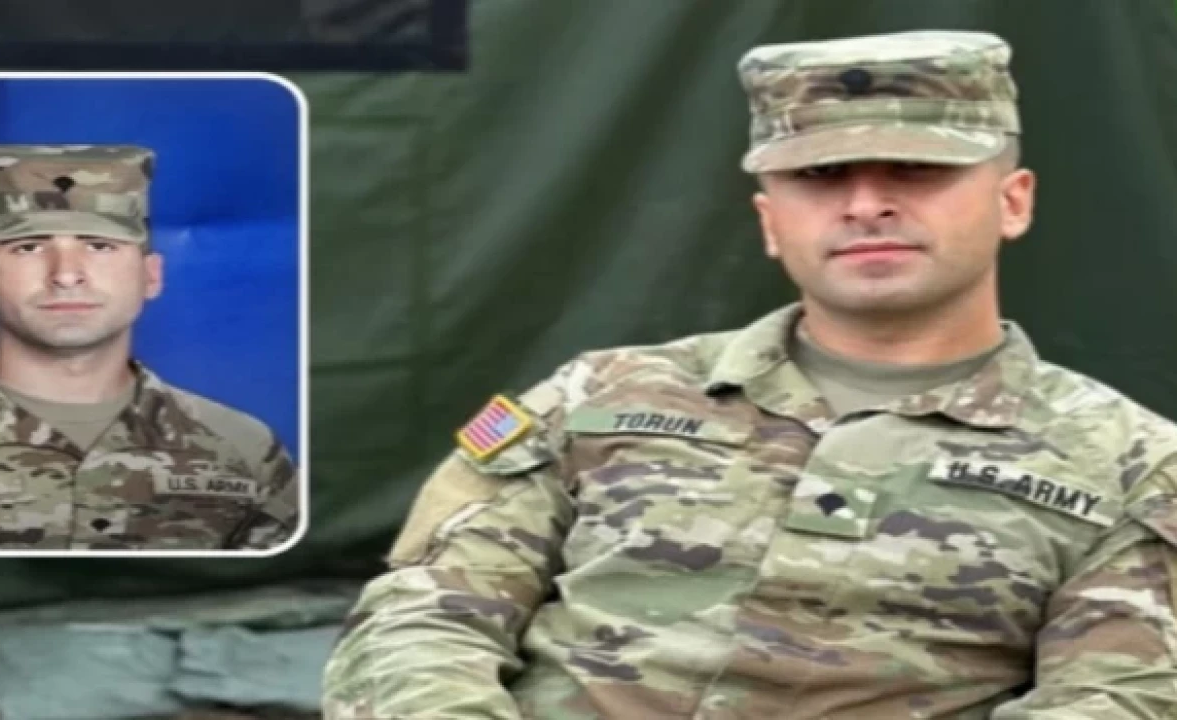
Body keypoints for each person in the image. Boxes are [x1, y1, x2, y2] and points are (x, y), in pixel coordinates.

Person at [321, 30, 1177, 718]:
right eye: (819, 175)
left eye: (918, 169)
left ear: (1013, 200)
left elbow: (1118, 697)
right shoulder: (597, 394)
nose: (866, 203)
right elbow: (422, 614)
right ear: (771, 221)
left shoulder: (1135, 467)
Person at [0, 144, 299, 551]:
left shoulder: (244, 450)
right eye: (28, 247)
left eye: (100, 245)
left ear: (151, 276)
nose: (66, 275)